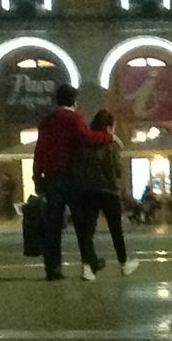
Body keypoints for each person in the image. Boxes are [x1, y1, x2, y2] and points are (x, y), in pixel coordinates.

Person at [33, 83, 114, 281]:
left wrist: (37, 177)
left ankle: (53, 268)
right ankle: (89, 261)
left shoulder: (47, 121)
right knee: (81, 222)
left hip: (51, 178)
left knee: (53, 225)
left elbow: (39, 151)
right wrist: (107, 136)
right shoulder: (74, 118)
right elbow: (87, 137)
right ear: (74, 100)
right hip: (72, 178)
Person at [73, 110, 139, 278]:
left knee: (88, 230)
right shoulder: (112, 144)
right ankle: (124, 264)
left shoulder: (84, 143)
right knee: (116, 230)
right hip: (109, 191)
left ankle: (87, 268)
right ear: (110, 126)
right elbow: (117, 169)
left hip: (88, 190)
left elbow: (78, 165)